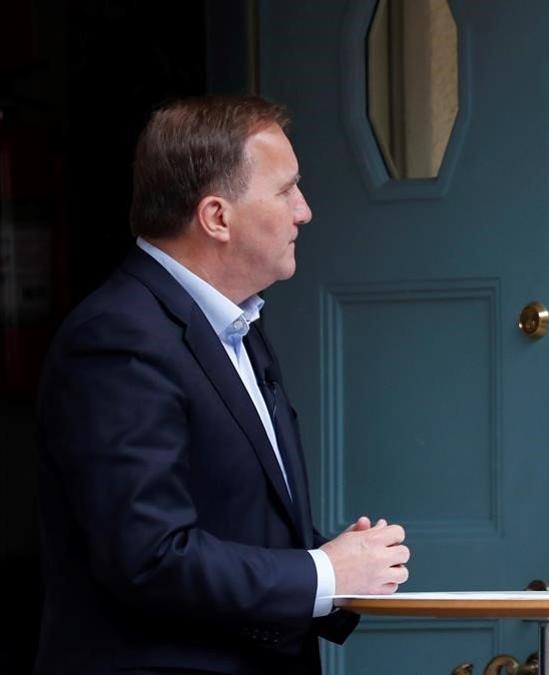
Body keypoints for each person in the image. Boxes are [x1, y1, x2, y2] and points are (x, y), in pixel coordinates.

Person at [35, 96, 410, 674]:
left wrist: (344, 567)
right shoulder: (117, 338)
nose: (304, 211)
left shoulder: (237, 324)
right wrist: (323, 573)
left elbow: (236, 518)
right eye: (286, 190)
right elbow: (150, 556)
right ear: (216, 217)